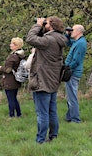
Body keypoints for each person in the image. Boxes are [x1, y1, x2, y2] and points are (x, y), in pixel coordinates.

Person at [25, 16, 68, 144]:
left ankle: (40, 140)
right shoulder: (59, 38)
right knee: (52, 111)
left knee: (42, 113)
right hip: (53, 79)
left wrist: (38, 25)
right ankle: (53, 136)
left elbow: (30, 39)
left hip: (43, 79)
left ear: (51, 26)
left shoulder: (48, 40)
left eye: (47, 23)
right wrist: (43, 28)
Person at [64, 25, 87, 123]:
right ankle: (69, 117)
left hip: (73, 73)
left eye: (73, 30)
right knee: (70, 96)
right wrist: (67, 35)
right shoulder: (77, 41)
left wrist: (67, 68)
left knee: (72, 97)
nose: (71, 31)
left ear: (78, 31)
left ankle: (75, 119)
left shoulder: (81, 43)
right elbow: (68, 43)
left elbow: (76, 60)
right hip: (72, 72)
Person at [0, 37, 25, 118]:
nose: (10, 45)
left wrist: (1, 68)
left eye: (12, 44)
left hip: (10, 81)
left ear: (16, 46)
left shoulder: (12, 57)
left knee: (11, 99)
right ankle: (19, 114)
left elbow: (8, 70)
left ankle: (12, 115)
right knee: (14, 98)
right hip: (16, 80)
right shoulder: (20, 55)